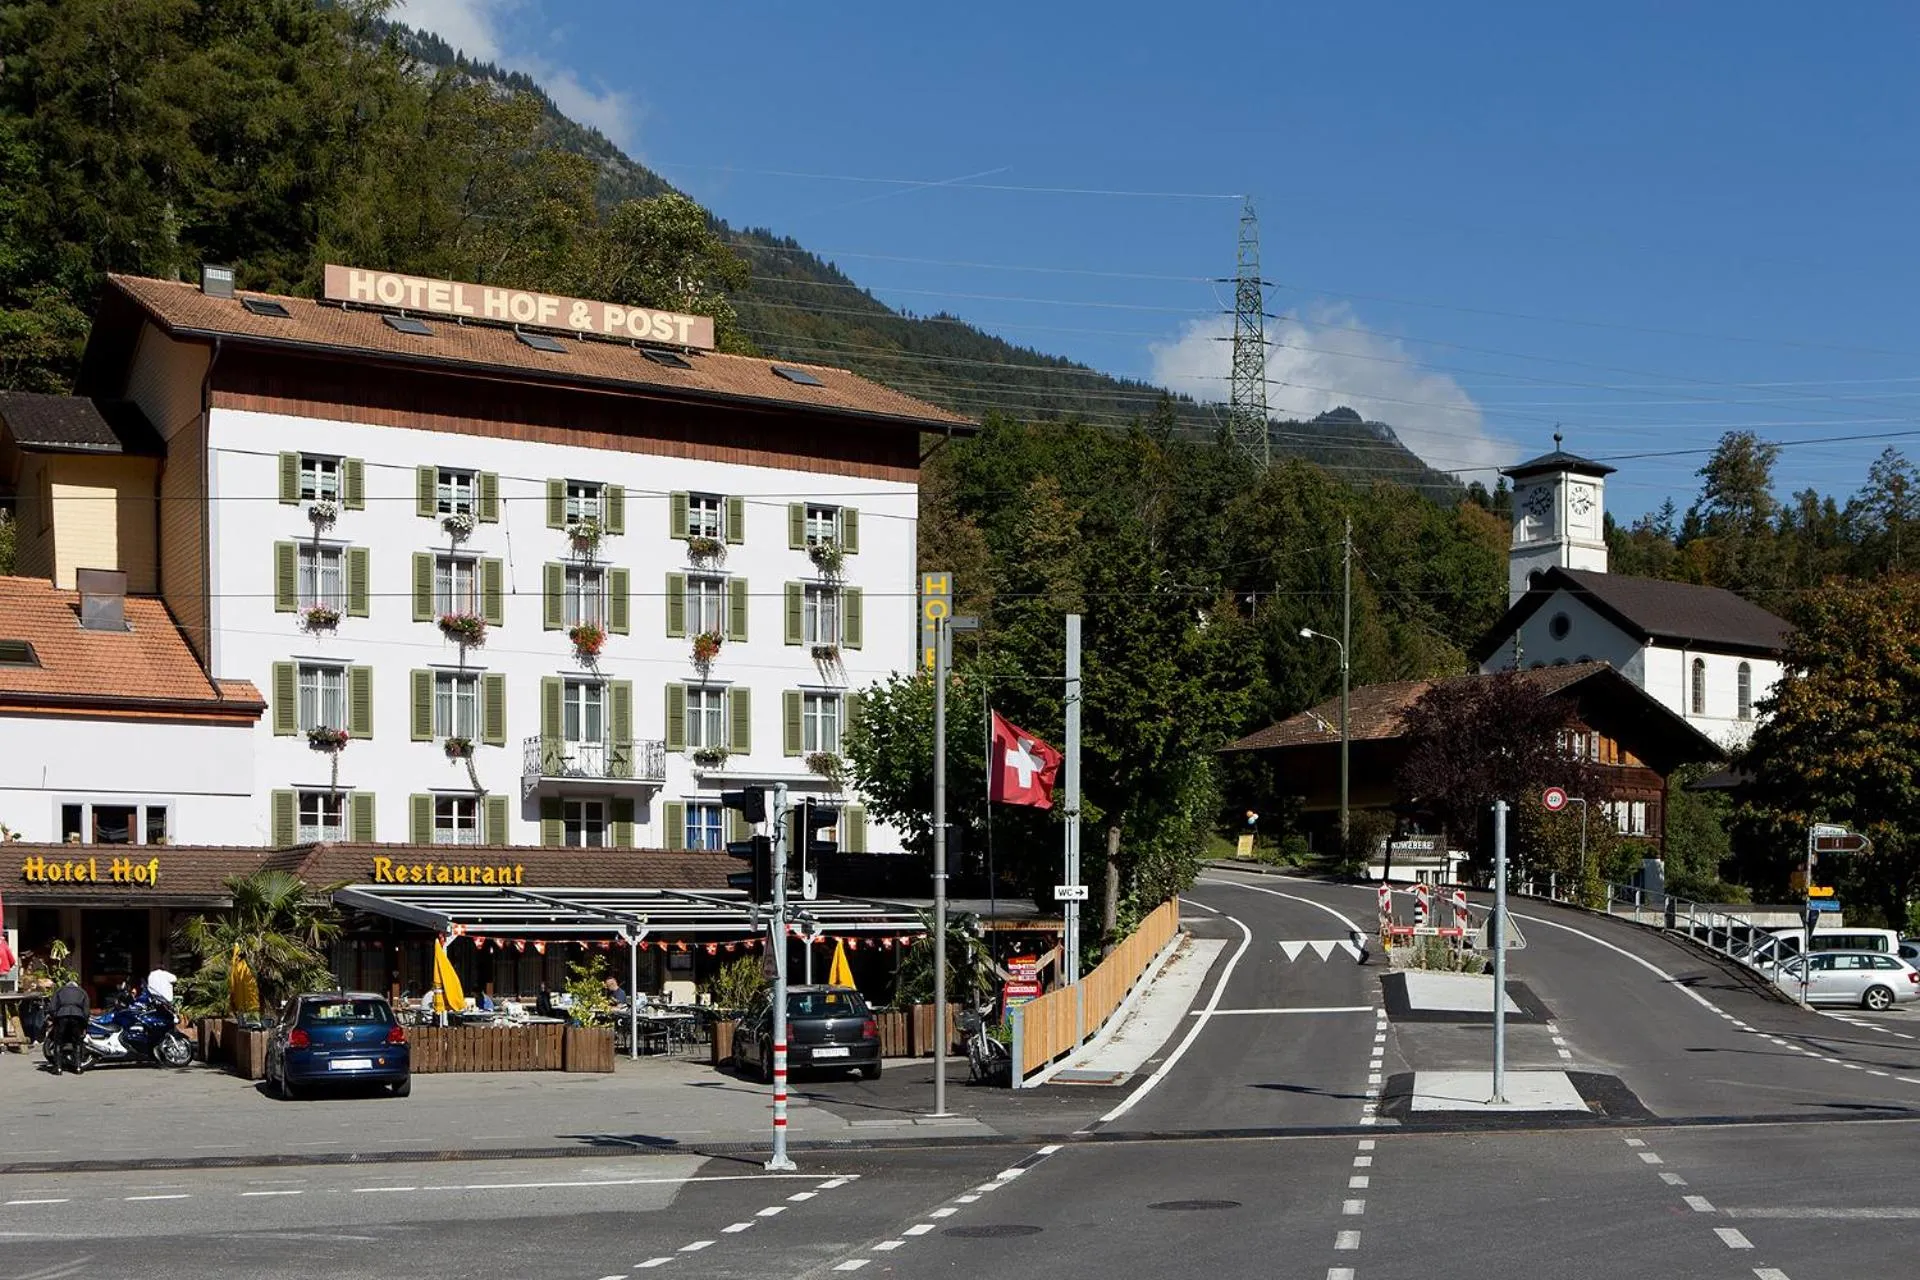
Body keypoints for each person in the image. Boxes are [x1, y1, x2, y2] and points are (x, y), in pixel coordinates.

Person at [48, 979, 90, 1075]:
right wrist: (84, 1023)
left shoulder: (60, 990)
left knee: (58, 1042)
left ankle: (58, 1068)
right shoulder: (82, 992)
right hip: (77, 1016)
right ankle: (78, 1067)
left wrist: (55, 1017)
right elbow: (86, 1010)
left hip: (62, 1016)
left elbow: (52, 1007)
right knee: (77, 1042)